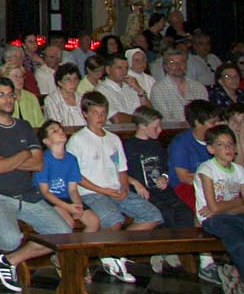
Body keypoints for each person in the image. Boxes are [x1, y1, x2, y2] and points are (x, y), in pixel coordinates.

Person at [0, 77, 70, 292]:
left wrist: (7, 159)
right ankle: (8, 254)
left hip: (27, 195)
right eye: (1, 95)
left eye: (11, 94)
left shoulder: (24, 126)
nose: (7, 99)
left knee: (62, 234)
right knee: (10, 239)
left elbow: (38, 164)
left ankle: (8, 261)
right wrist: (24, 154)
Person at [67, 91, 163, 283]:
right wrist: (103, 191)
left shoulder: (113, 139)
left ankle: (115, 250)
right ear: (85, 114)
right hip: (92, 192)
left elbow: (122, 168)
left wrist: (124, 188)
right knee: (114, 219)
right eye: (95, 113)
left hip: (116, 190)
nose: (100, 117)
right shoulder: (77, 140)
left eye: (103, 113)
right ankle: (110, 254)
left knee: (153, 215)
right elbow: (75, 176)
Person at [124, 106, 196, 274]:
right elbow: (122, 172)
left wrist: (164, 177)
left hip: (160, 188)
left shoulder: (156, 145)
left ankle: (175, 249)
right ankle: (158, 250)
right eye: (155, 127)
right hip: (142, 190)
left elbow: (164, 168)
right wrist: (135, 183)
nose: (160, 130)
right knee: (164, 212)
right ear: (143, 126)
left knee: (184, 211)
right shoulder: (128, 146)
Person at [195, 127, 244, 294]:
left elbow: (217, 206)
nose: (227, 148)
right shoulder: (206, 169)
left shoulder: (239, 170)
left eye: (230, 144)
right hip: (211, 219)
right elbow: (213, 208)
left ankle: (234, 273)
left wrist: (222, 207)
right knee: (239, 241)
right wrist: (238, 202)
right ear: (211, 149)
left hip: (233, 215)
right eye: (221, 144)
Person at [33, 120, 100, 234]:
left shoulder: (71, 159)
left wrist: (78, 206)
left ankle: (81, 245)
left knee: (94, 221)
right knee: (67, 223)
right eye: (54, 131)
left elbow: (72, 189)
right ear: (46, 141)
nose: (60, 132)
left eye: (61, 129)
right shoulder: (44, 160)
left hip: (65, 197)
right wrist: (67, 207)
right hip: (46, 198)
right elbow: (45, 192)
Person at [151, 47, 208, 122]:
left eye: (182, 62)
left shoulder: (199, 87)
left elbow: (205, 114)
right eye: (172, 63)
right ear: (165, 67)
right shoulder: (158, 89)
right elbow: (164, 118)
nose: (178, 65)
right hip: (172, 128)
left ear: (186, 65)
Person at [0, 62, 45, 127]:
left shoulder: (31, 97)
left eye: (21, 76)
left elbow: (41, 123)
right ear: (5, 79)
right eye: (16, 76)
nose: (20, 79)